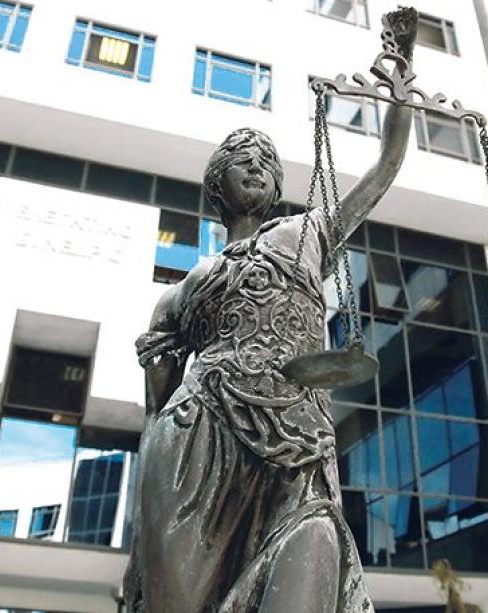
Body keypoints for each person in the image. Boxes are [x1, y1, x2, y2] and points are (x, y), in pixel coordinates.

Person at [125, 10, 416, 612]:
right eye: (241, 157)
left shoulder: (304, 235)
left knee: (312, 543)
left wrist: (401, 81)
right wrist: (140, 536)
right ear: (218, 185)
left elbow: (386, 166)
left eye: (265, 158)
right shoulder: (182, 290)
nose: (256, 164)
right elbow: (154, 409)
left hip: (294, 433)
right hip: (194, 439)